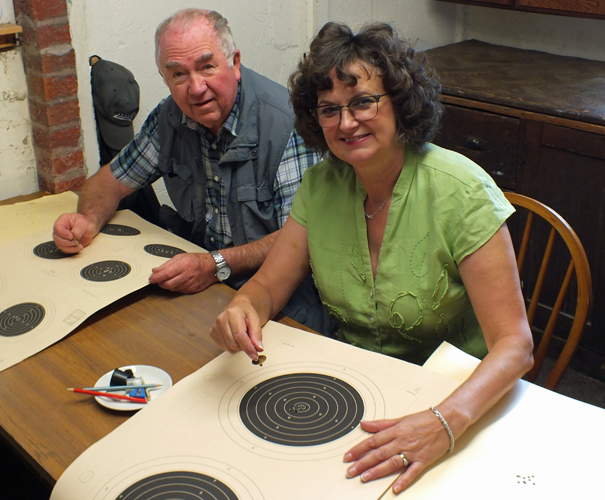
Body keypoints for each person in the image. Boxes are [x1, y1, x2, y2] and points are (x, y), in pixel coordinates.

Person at [209, 22, 534, 493]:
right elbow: (266, 288)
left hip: (461, 402)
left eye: (362, 101)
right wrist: (243, 308)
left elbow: (515, 345)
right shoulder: (321, 187)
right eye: (329, 109)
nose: (345, 123)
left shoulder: (461, 192)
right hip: (362, 396)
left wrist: (444, 423)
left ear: (400, 103)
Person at [53, 9, 334, 334]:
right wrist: (88, 219)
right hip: (206, 293)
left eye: (207, 67)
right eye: (179, 75)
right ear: (165, 78)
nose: (196, 87)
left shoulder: (287, 124)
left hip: (285, 305)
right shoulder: (169, 117)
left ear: (235, 63)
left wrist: (215, 265)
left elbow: (298, 242)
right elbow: (109, 182)